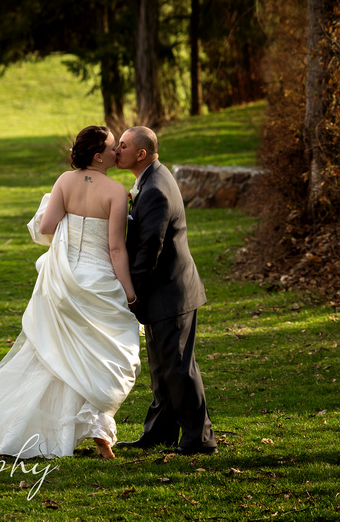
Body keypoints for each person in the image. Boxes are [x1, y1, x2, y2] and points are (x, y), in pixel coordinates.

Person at [0, 125, 142, 459]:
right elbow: (116, 249)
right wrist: (129, 293)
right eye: (111, 146)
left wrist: (60, 213)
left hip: (62, 279)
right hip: (98, 279)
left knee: (57, 355)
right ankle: (97, 431)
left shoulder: (64, 181)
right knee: (105, 352)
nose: (117, 151)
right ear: (97, 155)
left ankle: (52, 431)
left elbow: (46, 227)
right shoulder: (116, 192)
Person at [115, 126, 218, 455]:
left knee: (177, 366)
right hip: (165, 291)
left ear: (140, 154)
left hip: (171, 292)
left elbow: (150, 250)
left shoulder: (156, 189)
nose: (116, 150)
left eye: (123, 145)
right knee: (162, 368)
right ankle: (159, 434)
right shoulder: (150, 178)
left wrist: (131, 292)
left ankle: (199, 439)